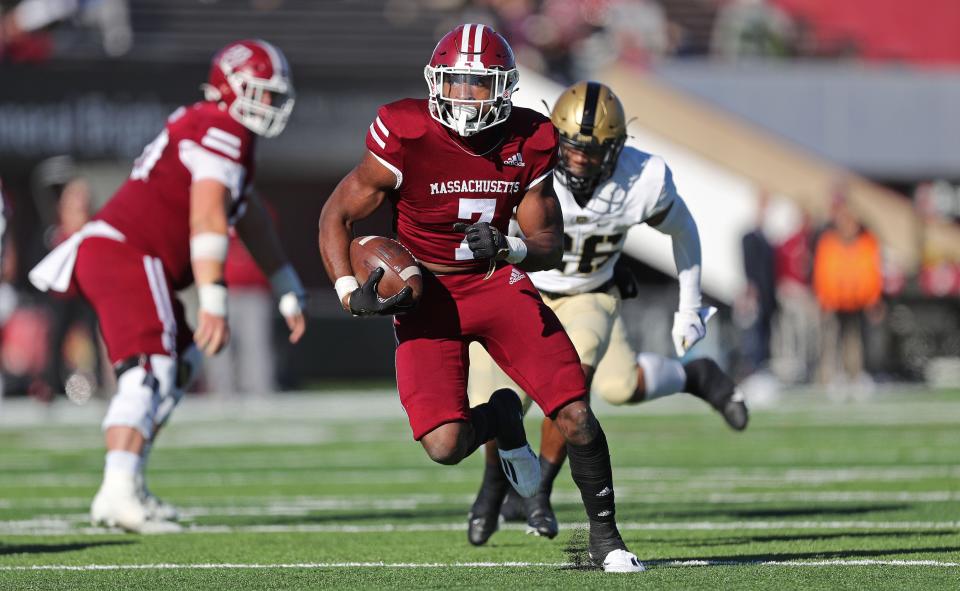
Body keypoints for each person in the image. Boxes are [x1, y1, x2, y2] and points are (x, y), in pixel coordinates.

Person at [318, 25, 643, 573]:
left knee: (576, 412)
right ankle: (498, 418)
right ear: (436, 83)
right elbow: (338, 214)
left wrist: (512, 247)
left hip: (494, 284)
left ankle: (606, 540)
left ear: (506, 87)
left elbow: (549, 244)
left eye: (481, 85)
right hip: (424, 294)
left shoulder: (532, 138)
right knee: (444, 445)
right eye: (458, 84)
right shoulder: (406, 131)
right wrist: (350, 293)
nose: (468, 98)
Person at [28, 39, 307, 532]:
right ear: (232, 87)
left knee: (179, 363)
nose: (269, 103)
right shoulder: (219, 125)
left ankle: (127, 483)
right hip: (125, 252)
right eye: (261, 92)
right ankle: (116, 490)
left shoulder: (227, 134)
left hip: (130, 254)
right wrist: (213, 300)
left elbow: (252, 218)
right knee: (150, 368)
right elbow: (206, 214)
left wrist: (286, 284)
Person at [465, 81, 748, 545]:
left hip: (591, 294)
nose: (578, 162)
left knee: (572, 385)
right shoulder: (520, 164)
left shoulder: (642, 180)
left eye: (592, 153)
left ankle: (537, 495)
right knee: (524, 396)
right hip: (522, 291)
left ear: (618, 149)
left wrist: (690, 304)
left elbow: (684, 229)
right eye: (572, 149)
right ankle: (694, 377)